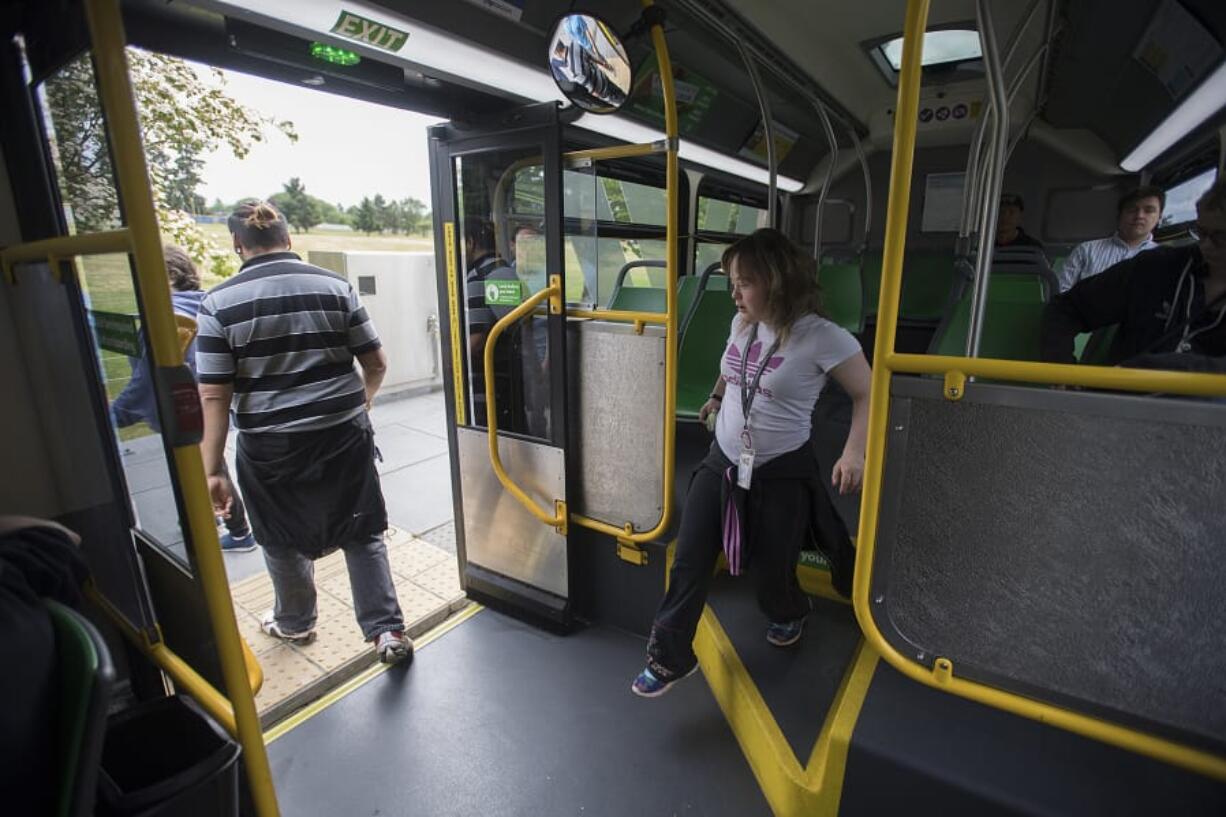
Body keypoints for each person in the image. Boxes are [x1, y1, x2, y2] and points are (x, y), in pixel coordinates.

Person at [631, 228, 871, 697]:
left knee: (771, 568)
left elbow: (866, 391)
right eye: (732, 281)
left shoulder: (824, 337)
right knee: (692, 556)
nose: (734, 292)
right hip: (723, 457)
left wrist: (854, 451)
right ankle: (670, 656)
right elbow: (731, 367)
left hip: (780, 469)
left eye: (744, 282)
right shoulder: (743, 322)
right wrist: (716, 397)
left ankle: (789, 611)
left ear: (777, 282)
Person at [196, 201, 411, 663]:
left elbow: (213, 395)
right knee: (361, 528)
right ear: (289, 240)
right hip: (343, 434)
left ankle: (295, 623)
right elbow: (375, 362)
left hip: (270, 444)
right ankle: (386, 632)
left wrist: (211, 468)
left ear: (237, 245)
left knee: (278, 533)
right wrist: (362, 400)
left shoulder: (217, 304)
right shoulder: (335, 286)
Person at [109, 245, 255, 552]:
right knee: (206, 465)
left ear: (171, 276)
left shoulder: (167, 321)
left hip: (184, 409)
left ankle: (238, 530)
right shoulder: (207, 305)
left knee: (206, 467)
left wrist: (117, 414)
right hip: (209, 405)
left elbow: (147, 379)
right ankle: (211, 519)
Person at [1041, 177, 1226, 372]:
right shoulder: (1156, 266)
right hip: (1126, 397)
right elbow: (1066, 307)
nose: (1205, 245)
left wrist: (1155, 367)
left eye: (1221, 236)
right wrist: (1062, 371)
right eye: (1201, 232)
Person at [464, 217, 522, 429]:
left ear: (470, 242)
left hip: (488, 379)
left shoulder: (477, 277)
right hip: (513, 371)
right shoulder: (505, 270)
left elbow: (476, 341)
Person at [1057, 186, 1164, 292]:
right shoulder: (1086, 250)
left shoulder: (1163, 259)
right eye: (1132, 209)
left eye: (1149, 210)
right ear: (1120, 215)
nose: (1139, 215)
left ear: (1159, 218)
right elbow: (1060, 292)